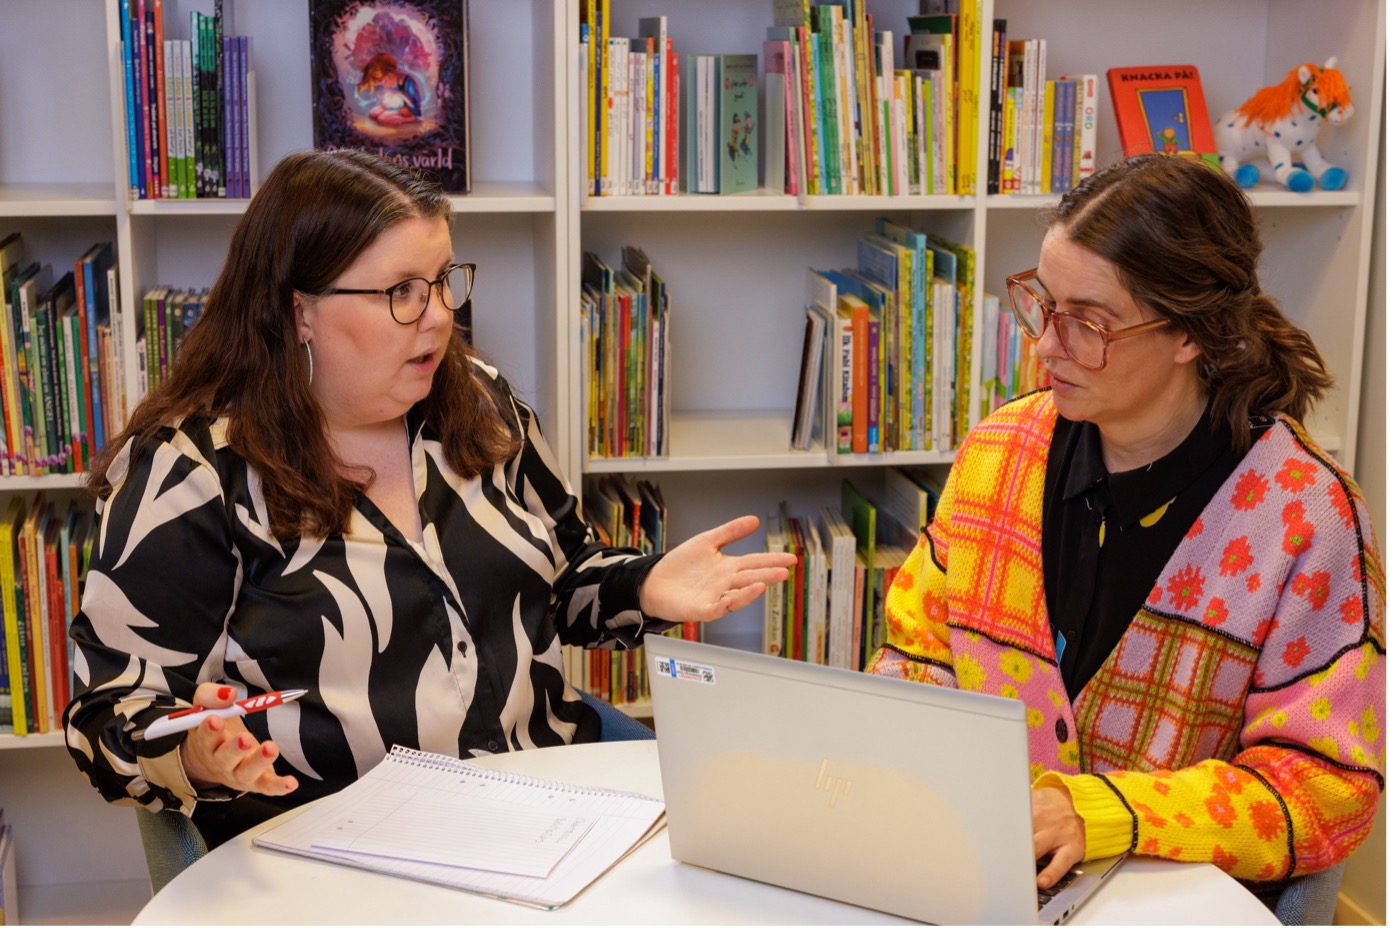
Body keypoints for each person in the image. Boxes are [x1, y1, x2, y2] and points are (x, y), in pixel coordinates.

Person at [63, 148, 795, 849]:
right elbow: (107, 712)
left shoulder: (478, 401)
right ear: (300, 311)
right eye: (401, 293)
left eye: (444, 280)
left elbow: (562, 578)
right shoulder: (194, 471)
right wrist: (194, 752)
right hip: (340, 856)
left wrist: (645, 585)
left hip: (540, 808)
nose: (440, 315)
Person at [868, 154, 1384, 905]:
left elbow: (1327, 791)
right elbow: (916, 653)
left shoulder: (1308, 518)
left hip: (1172, 899)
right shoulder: (999, 451)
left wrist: (1111, 814)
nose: (1046, 346)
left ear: (1190, 334)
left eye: (1088, 322)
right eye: (1044, 305)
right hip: (976, 878)